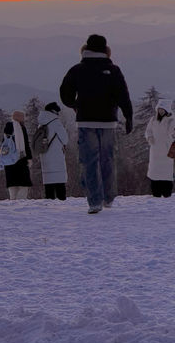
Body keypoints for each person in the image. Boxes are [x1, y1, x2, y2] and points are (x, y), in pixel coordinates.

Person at [60, 33, 133, 214]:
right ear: (106, 49)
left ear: (86, 49)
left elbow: (65, 93)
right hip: (108, 122)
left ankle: (94, 201)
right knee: (107, 159)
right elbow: (123, 95)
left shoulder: (77, 69)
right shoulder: (113, 70)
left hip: (86, 122)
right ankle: (108, 197)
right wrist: (128, 116)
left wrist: (75, 105)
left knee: (89, 162)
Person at [36, 102, 69, 201]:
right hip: (56, 156)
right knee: (59, 183)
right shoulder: (56, 122)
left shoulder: (41, 124)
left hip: (45, 156)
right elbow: (65, 139)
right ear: (54, 111)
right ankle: (61, 201)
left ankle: (49, 204)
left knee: (49, 185)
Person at [145, 98, 175, 198]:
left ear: (167, 110)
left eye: (163, 110)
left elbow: (172, 133)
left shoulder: (172, 120)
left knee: (166, 174)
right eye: (159, 109)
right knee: (155, 173)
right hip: (155, 150)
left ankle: (167, 193)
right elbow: (148, 130)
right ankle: (156, 193)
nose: (161, 111)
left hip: (167, 150)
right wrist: (149, 137)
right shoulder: (153, 120)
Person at [2, 110, 32, 199]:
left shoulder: (6, 130)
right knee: (23, 185)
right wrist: (29, 158)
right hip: (20, 159)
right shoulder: (21, 128)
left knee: (12, 186)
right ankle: (20, 203)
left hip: (9, 160)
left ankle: (13, 202)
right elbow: (26, 145)